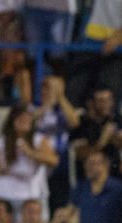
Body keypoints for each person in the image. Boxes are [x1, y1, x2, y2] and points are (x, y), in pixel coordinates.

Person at [66, 0, 122, 105]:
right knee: (75, 91)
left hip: (119, 46)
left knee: (109, 97)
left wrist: (119, 36)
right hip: (92, 38)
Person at [0, 103, 60, 218]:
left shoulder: (39, 140)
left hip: (30, 196)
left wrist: (30, 153)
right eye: (21, 119)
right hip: (6, 195)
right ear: (13, 121)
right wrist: (6, 168)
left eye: (27, 119)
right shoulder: (1, 141)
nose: (24, 121)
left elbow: (54, 160)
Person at [33, 75, 81, 213]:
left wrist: (60, 97)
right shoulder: (34, 108)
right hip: (39, 163)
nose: (48, 92)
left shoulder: (63, 111)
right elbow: (30, 121)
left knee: (59, 206)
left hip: (60, 164)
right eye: (46, 89)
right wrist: (47, 104)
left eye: (52, 89)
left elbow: (74, 122)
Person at [70, 87, 122, 183]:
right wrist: (102, 141)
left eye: (109, 100)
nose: (107, 105)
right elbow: (81, 154)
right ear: (91, 103)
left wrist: (115, 137)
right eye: (101, 101)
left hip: (114, 176)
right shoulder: (81, 122)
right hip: (89, 180)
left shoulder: (117, 119)